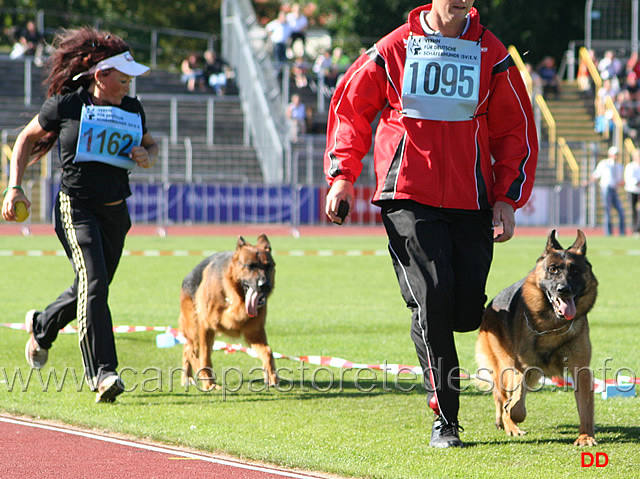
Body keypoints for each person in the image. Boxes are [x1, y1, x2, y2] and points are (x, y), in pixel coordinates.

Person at [323, 0, 538, 448]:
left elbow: (515, 129)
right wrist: (343, 176)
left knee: (462, 311)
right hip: (407, 194)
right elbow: (351, 107)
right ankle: (446, 420)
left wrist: (506, 198)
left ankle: (439, 323)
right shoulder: (394, 47)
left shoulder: (491, 53)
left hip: (471, 198)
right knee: (432, 300)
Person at [1, 27, 159, 403]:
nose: (129, 86)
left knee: (89, 286)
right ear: (101, 76)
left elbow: (152, 145)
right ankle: (103, 372)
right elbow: (24, 139)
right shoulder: (67, 104)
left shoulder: (132, 109)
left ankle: (42, 326)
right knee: (96, 285)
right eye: (124, 79)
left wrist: (147, 156)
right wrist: (14, 186)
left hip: (116, 213)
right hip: (76, 208)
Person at [585, 146, 626, 236]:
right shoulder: (604, 164)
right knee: (607, 211)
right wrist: (588, 182)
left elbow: (619, 180)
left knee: (621, 211)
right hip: (606, 189)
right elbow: (596, 175)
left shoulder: (619, 166)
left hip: (614, 189)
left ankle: (622, 233)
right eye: (614, 155)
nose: (616, 157)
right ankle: (608, 233)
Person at [624, 149, 640, 236]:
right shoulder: (630, 166)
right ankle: (635, 229)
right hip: (632, 191)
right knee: (634, 211)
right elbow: (631, 180)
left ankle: (638, 228)